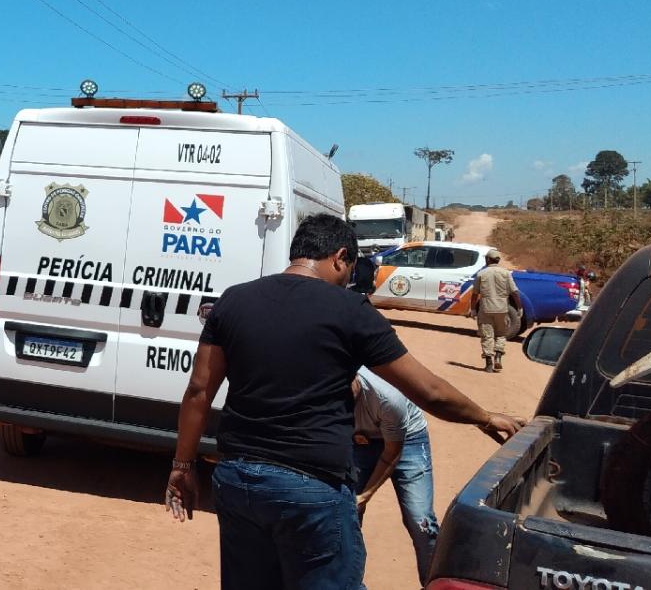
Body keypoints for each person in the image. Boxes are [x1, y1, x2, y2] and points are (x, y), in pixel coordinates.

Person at [166, 214, 525, 590]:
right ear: (340, 257)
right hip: (311, 487)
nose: (347, 280)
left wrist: (183, 464)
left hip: (238, 480)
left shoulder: (234, 300)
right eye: (349, 269)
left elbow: (199, 391)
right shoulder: (350, 310)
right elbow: (428, 391)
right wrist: (485, 418)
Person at [351, 369, 438, 585]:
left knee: (420, 520)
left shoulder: (387, 397)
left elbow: (392, 454)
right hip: (359, 440)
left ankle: (435, 583)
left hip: (407, 440)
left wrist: (365, 495)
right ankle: (349, 583)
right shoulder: (321, 391)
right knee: (347, 516)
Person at [470, 249, 521, 373]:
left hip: (486, 309)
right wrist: (519, 307)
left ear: (488, 259)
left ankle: (488, 363)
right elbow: (514, 292)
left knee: (487, 335)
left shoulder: (481, 274)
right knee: (501, 334)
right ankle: (498, 356)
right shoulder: (506, 273)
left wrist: (472, 309)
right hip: (502, 309)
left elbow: (475, 294)